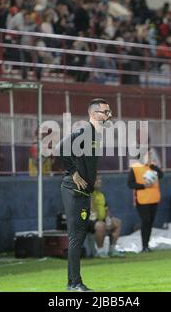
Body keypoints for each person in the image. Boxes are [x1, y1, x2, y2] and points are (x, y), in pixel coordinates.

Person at [56, 98, 112, 292]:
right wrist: (73, 172)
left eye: (109, 112)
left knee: (78, 237)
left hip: (83, 191)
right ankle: (74, 283)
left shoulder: (97, 135)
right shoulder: (84, 131)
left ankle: (74, 281)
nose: (109, 115)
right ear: (93, 114)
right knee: (75, 237)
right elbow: (59, 148)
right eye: (105, 112)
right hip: (73, 189)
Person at [127, 154, 163, 253]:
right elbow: (130, 184)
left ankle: (147, 245)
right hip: (142, 200)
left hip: (154, 199)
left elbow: (161, 175)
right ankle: (144, 246)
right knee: (146, 221)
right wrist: (143, 185)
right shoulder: (135, 168)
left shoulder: (152, 167)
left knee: (150, 222)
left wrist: (154, 167)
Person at [88, 177, 124, 258]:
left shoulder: (101, 194)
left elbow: (106, 209)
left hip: (101, 219)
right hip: (88, 221)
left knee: (117, 222)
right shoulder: (88, 194)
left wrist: (108, 219)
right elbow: (91, 209)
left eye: (100, 179)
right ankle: (100, 251)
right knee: (100, 225)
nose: (99, 181)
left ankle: (112, 249)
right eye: (96, 180)